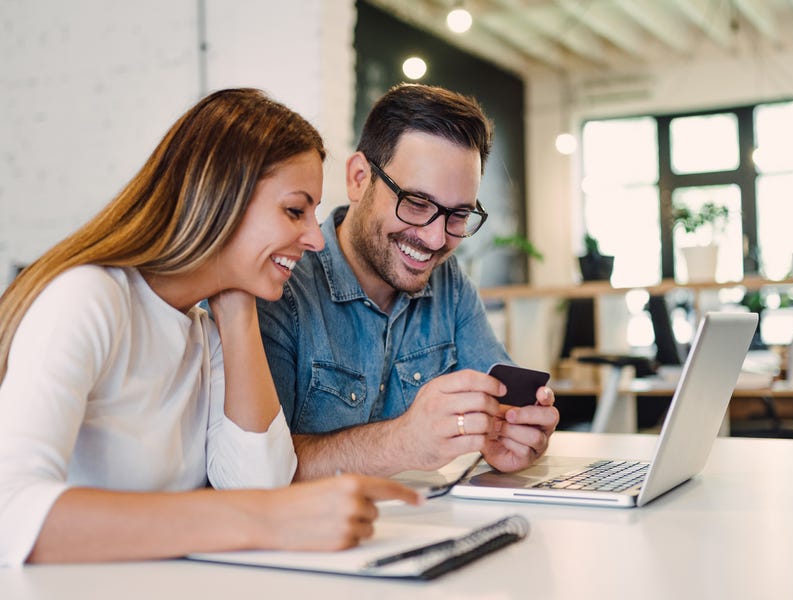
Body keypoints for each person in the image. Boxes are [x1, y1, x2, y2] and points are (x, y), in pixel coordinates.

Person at [0, 88, 419, 567]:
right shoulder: (90, 298)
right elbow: (9, 511)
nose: (314, 240)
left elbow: (258, 484)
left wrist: (236, 302)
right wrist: (266, 519)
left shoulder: (206, 331)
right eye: (294, 210)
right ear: (221, 196)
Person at [257, 83, 559, 481]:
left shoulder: (449, 283)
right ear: (360, 178)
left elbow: (504, 406)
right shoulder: (280, 284)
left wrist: (517, 435)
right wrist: (403, 440)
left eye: (458, 215)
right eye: (416, 204)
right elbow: (259, 467)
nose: (435, 240)